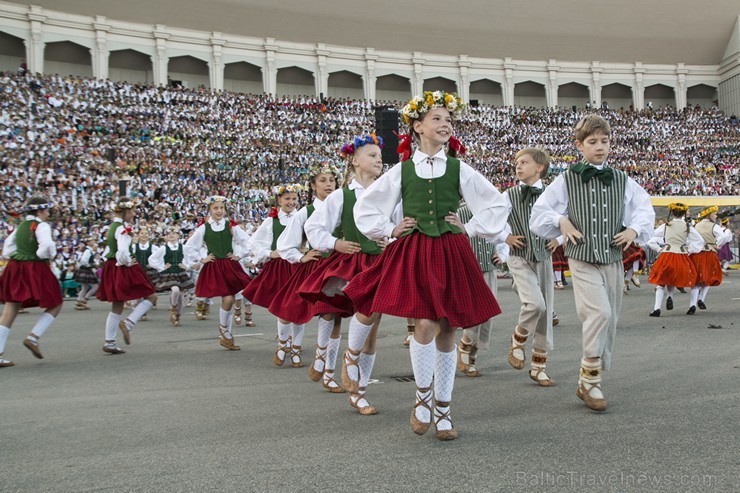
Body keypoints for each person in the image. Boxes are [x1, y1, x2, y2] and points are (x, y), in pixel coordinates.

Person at [344, 92, 509, 440]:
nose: (445, 123)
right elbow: (366, 208)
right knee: (423, 322)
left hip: (450, 248)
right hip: (417, 248)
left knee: (448, 327)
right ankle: (422, 396)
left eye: (449, 119)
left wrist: (472, 227)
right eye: (437, 118)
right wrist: (389, 228)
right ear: (418, 127)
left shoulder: (459, 167)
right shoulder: (401, 172)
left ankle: (444, 406)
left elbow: (495, 204)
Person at [530, 114, 655, 412]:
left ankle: (591, 379)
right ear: (580, 145)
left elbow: (643, 208)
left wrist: (634, 230)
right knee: (598, 313)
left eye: (604, 141)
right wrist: (561, 220)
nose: (599, 147)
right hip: (582, 257)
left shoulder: (623, 179)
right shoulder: (567, 178)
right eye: (592, 142)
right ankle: (590, 380)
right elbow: (540, 212)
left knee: (609, 318)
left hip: (612, 259)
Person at [299, 135, 387, 407]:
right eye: (372, 155)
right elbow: (314, 228)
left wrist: (391, 237)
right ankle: (331, 358)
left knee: (372, 326)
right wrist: (335, 242)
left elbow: (397, 223)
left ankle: (358, 392)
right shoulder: (341, 195)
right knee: (341, 313)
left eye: (379, 156)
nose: (378, 160)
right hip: (352, 262)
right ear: (355, 160)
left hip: (379, 262)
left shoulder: (387, 192)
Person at [267, 161, 348, 388]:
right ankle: (286, 345)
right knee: (289, 310)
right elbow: (285, 243)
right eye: (322, 180)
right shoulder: (306, 211)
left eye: (331, 180)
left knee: (333, 318)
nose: (328, 184)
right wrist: (301, 256)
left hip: (337, 267)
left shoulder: (344, 205)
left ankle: (327, 370)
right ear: (313, 185)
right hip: (314, 268)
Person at [503, 147, 560, 386]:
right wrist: (506, 237)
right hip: (519, 256)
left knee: (545, 313)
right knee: (535, 304)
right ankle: (518, 338)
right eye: (517, 162)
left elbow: (565, 217)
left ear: (539, 168)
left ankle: (539, 367)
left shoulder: (552, 194)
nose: (518, 166)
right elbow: (494, 219)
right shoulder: (508, 194)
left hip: (543, 257)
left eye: (524, 162)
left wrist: (560, 237)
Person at [0, 196, 63, 366]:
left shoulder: (20, 226)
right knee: (56, 302)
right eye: (47, 210)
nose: (48, 213)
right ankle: (33, 337)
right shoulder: (42, 226)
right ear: (40, 211)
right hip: (34, 267)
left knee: (10, 308)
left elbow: (7, 247)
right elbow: (47, 246)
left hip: (15, 266)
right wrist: (46, 256)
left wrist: (19, 254)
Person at [184, 196, 252, 350]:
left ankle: (226, 334)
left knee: (230, 299)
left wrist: (239, 255)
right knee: (228, 299)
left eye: (221, 208)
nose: (219, 211)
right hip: (214, 266)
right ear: (210, 210)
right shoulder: (204, 228)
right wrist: (202, 258)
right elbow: (189, 247)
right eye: (216, 208)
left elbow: (248, 241)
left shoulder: (230, 226)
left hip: (229, 265)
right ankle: (225, 332)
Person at [243, 185, 301, 363]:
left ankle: (296, 347)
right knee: (283, 307)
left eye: (293, 199)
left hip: (298, 265)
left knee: (299, 307)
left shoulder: (302, 216)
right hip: (281, 268)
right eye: (287, 199)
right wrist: (269, 253)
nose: (291, 202)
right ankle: (283, 343)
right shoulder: (272, 221)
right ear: (279, 201)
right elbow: (254, 242)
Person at [96, 198, 157, 354]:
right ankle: (129, 323)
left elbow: (108, 252)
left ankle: (109, 341)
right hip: (122, 266)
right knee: (151, 297)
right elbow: (122, 252)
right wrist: (128, 262)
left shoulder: (113, 227)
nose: (133, 214)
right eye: (132, 212)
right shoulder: (122, 229)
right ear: (126, 212)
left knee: (117, 303)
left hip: (111, 266)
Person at [456, 202, 508, 378]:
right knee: (475, 312)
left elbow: (505, 235)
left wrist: (501, 255)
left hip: (488, 269)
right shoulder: (458, 213)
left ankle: (472, 354)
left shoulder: (493, 213)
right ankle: (464, 347)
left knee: (487, 315)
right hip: (467, 271)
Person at [646, 203, 702, 317]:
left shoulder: (666, 225)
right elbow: (699, 241)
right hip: (681, 254)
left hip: (666, 254)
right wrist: (690, 250)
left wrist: (658, 248)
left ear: (672, 213)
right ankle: (692, 305)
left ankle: (657, 308)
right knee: (693, 281)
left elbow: (650, 238)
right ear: (684, 213)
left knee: (662, 282)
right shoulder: (687, 226)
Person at [687, 206, 732, 314]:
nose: (716, 216)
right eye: (715, 214)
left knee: (696, 280)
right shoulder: (714, 226)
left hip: (697, 254)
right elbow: (723, 236)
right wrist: (717, 244)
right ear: (709, 214)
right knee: (708, 277)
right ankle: (701, 299)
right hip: (709, 253)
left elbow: (689, 239)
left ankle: (692, 304)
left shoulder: (696, 225)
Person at [152, 226, 194, 326]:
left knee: (181, 296)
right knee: (175, 290)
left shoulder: (183, 247)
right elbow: (152, 259)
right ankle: (173, 308)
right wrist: (161, 267)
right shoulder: (163, 248)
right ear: (166, 236)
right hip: (169, 273)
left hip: (180, 273)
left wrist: (186, 266)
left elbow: (191, 258)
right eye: (168, 233)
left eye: (174, 233)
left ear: (178, 236)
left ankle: (178, 314)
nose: (171, 235)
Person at [73, 237, 100, 310]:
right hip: (86, 270)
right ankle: (84, 300)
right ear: (88, 243)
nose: (93, 242)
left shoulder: (87, 250)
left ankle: (79, 300)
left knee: (85, 287)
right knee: (95, 287)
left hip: (84, 269)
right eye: (91, 241)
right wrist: (90, 265)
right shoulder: (88, 251)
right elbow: (83, 260)